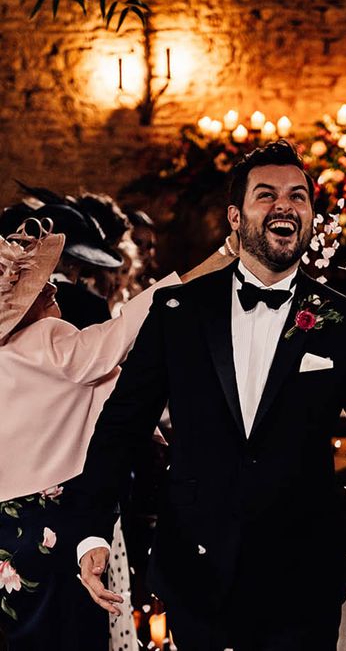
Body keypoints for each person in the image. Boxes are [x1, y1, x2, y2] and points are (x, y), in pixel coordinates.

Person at [72, 140, 346, 650]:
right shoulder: (177, 310)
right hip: (196, 568)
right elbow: (121, 425)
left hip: (303, 574)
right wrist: (92, 529)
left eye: (298, 196)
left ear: (311, 216)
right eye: (266, 194)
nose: (284, 206)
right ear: (235, 216)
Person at [0, 217, 231, 649]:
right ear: (18, 309)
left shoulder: (11, 356)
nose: (51, 288)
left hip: (7, 538)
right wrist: (223, 258)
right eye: (35, 287)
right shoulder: (48, 340)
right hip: (53, 529)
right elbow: (127, 329)